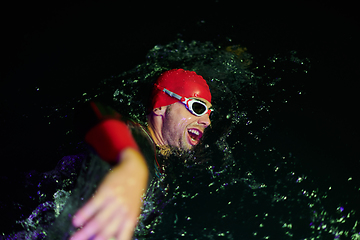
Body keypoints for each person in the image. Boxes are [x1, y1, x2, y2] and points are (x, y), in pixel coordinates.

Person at [70, 69, 213, 240]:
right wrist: (131, 163)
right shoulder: (138, 138)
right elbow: (91, 111)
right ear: (160, 107)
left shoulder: (164, 159)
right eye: (197, 107)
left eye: (209, 113)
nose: (207, 121)